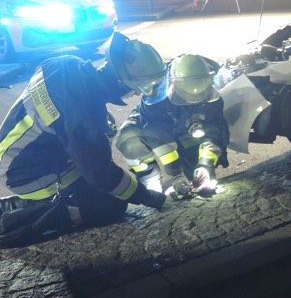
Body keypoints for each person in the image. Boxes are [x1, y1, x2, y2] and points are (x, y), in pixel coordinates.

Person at [0, 32, 168, 247]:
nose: (135, 95)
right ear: (120, 83)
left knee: (97, 179)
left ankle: (25, 203)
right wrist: (145, 196)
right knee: (110, 204)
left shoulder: (66, 63)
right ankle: (31, 216)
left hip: (12, 151)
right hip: (24, 173)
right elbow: (100, 173)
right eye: (135, 89)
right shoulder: (82, 115)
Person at [115, 54, 229, 201]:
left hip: (185, 131)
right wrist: (177, 174)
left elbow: (215, 133)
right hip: (156, 129)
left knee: (197, 179)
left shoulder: (212, 97)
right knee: (129, 140)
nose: (191, 104)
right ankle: (150, 181)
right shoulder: (156, 97)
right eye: (187, 100)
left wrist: (205, 165)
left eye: (197, 101)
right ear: (174, 86)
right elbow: (158, 138)